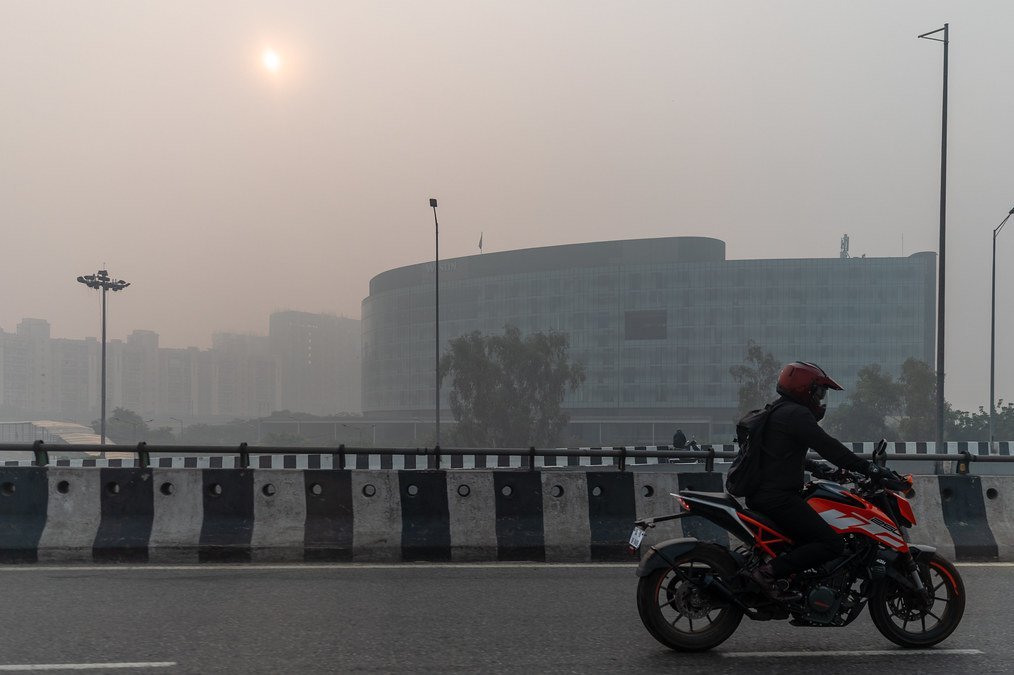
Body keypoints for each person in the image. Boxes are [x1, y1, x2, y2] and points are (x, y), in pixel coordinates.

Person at [745, 361, 883, 602]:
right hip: (778, 498)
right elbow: (828, 446)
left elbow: (783, 455)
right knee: (831, 544)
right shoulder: (796, 414)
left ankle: (794, 580)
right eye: (819, 392)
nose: (820, 399)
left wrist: (823, 470)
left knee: (807, 536)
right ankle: (767, 574)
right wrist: (867, 467)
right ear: (804, 389)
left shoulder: (778, 411)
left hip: (766, 494)